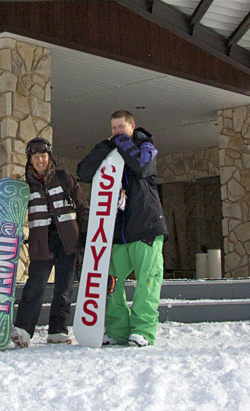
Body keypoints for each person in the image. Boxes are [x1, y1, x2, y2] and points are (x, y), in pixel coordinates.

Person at [76, 109, 165, 347]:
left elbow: (141, 167)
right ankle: (117, 330)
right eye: (113, 128)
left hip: (145, 228)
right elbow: (83, 173)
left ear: (132, 126)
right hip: (116, 232)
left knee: (147, 282)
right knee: (110, 282)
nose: (116, 132)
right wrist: (104, 148)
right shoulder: (110, 150)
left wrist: (123, 142)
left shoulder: (147, 147)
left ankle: (143, 331)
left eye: (121, 128)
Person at [11, 137, 88, 347]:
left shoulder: (64, 178)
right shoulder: (25, 185)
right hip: (41, 242)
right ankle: (23, 330)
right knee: (34, 286)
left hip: (68, 241)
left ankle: (58, 331)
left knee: (64, 288)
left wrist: (85, 235)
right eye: (35, 157)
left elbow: (82, 207)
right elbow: (13, 211)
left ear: (49, 157)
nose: (40, 160)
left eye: (43, 156)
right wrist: (13, 189)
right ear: (30, 159)